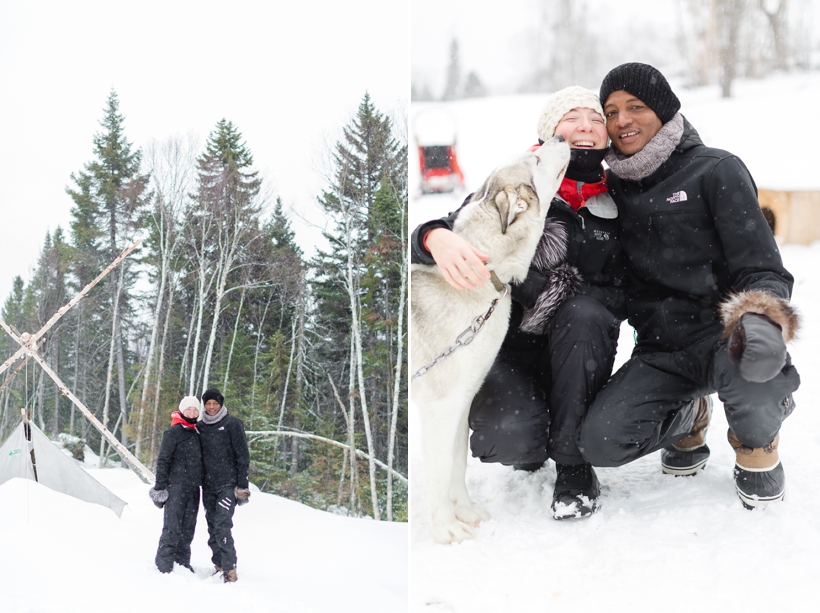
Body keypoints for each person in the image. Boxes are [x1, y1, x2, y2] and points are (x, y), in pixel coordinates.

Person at [578, 63, 800, 509]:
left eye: (635, 107)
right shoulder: (611, 190)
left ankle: (756, 439)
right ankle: (690, 414)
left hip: (725, 337)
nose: (622, 120)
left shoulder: (716, 170)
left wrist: (757, 317)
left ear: (662, 110)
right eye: (612, 111)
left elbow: (763, 267)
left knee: (756, 370)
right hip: (660, 351)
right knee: (600, 443)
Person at [411, 86, 625, 519]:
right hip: (509, 350)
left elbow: (637, 283)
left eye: (595, 118)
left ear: (608, 136)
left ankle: (572, 462)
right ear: (550, 132)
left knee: (583, 312)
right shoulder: (520, 181)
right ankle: (536, 433)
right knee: (511, 436)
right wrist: (433, 237)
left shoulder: (624, 198)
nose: (584, 125)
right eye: (572, 117)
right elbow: (456, 225)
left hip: (582, 351)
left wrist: (571, 298)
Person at [199, 387, 250, 582]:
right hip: (208, 486)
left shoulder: (233, 423)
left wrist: (241, 486)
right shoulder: (201, 426)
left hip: (227, 485)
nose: (212, 407)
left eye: (215, 403)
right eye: (208, 404)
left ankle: (230, 570)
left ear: (221, 404)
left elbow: (242, 456)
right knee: (212, 526)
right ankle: (219, 564)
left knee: (222, 525)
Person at [149, 396, 203, 574]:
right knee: (172, 527)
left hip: (193, 488)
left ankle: (182, 563)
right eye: (189, 409)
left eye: (195, 409)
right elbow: (163, 461)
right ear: (182, 410)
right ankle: (163, 565)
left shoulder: (198, 433)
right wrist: (160, 487)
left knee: (188, 527)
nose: (192, 412)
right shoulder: (173, 433)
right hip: (176, 486)